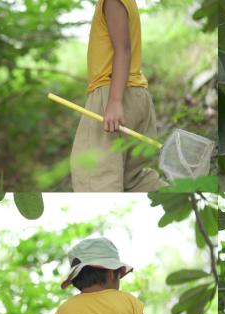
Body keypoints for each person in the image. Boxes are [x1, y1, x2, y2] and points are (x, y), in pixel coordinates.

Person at [70, 0, 166, 192]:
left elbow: (123, 49)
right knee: (135, 179)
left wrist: (114, 101)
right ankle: (178, 198)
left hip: (113, 93)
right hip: (135, 95)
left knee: (95, 177)